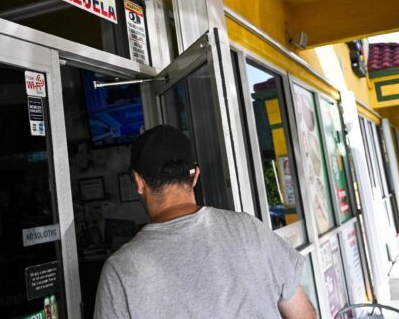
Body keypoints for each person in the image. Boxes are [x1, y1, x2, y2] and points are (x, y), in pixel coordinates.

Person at [94, 125, 316, 319]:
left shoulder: (121, 270)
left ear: (138, 182)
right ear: (195, 176)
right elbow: (305, 315)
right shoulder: (250, 229)